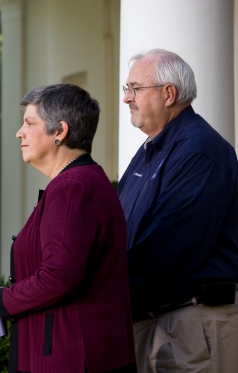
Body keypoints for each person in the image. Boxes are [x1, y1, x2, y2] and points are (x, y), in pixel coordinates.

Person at [0, 84, 136, 373]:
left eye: (29, 123)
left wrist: (2, 299)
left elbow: (59, 276)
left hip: (68, 357)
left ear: (59, 132)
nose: (19, 132)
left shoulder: (71, 187)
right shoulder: (84, 180)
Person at [118, 49, 238, 372]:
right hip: (155, 321)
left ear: (168, 94)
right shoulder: (150, 151)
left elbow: (169, 248)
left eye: (135, 89)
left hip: (189, 324)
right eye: (126, 89)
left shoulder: (199, 151)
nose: (127, 98)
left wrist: (103, 289)